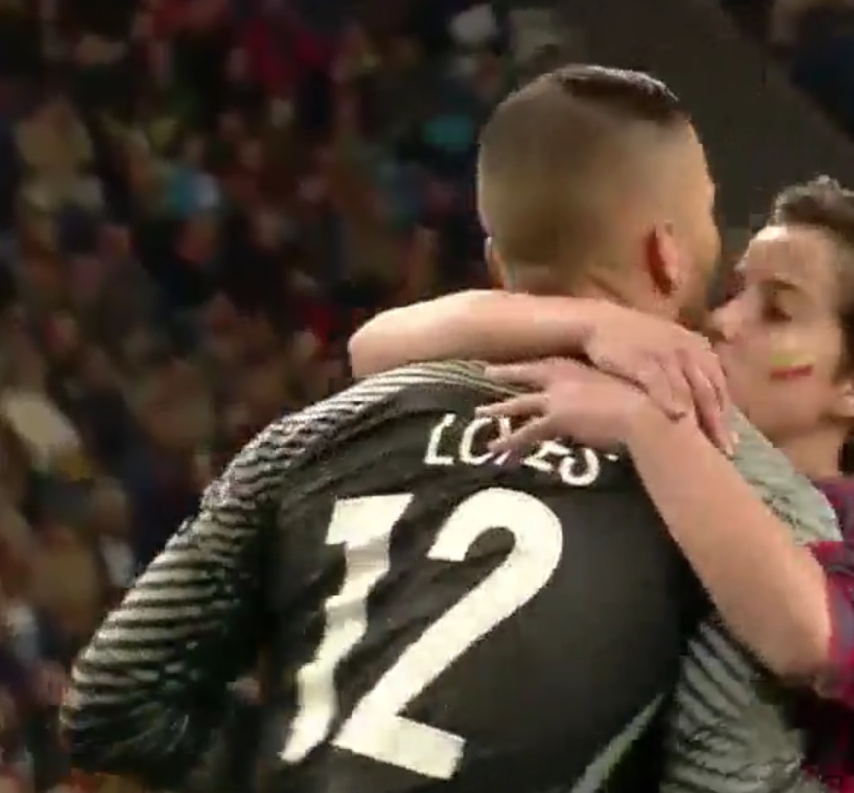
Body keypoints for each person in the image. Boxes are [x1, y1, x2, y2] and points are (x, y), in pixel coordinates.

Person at [60, 65, 766, 793]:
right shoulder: (718, 494)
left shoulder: (315, 434)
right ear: (667, 252)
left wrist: (298, 757)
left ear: (496, 266)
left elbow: (113, 698)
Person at [350, 176, 854, 792]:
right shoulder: (632, 419)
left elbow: (811, 639)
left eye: (777, 311)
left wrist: (648, 427)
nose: (724, 320)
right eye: (734, 290)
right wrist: (589, 325)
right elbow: (377, 351)